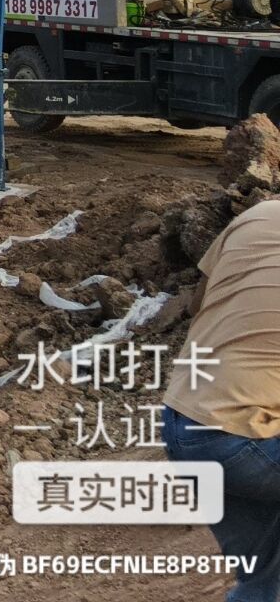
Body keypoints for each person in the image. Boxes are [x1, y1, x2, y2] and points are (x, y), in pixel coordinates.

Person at [162, 197, 280, 602]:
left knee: (262, 580)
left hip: (181, 421)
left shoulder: (257, 215)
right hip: (239, 440)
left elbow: (198, 303)